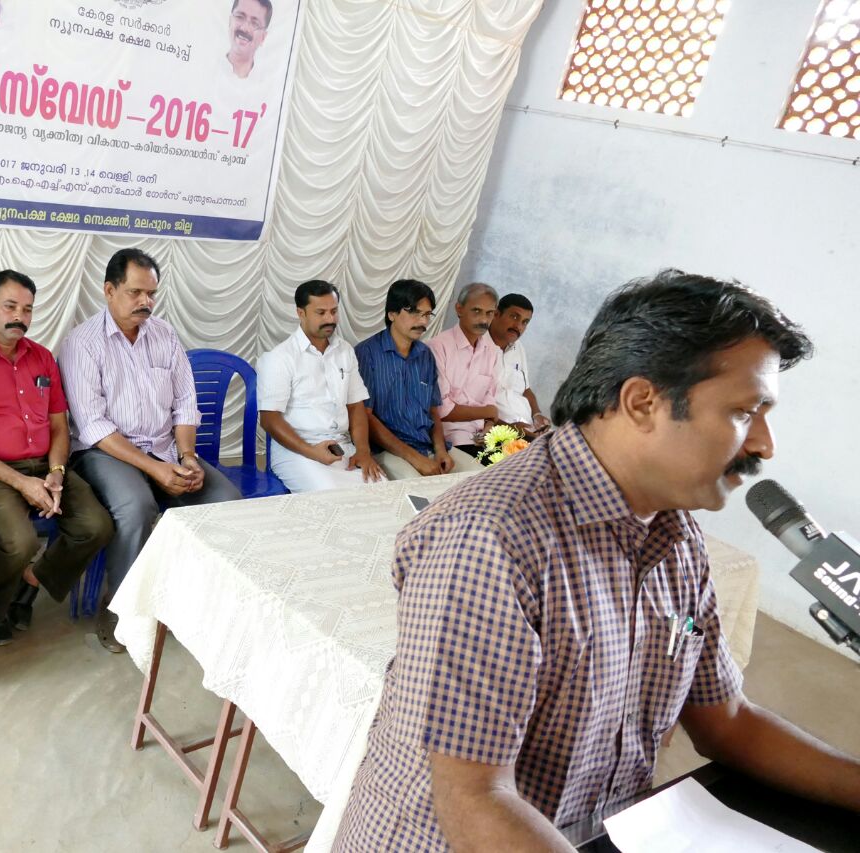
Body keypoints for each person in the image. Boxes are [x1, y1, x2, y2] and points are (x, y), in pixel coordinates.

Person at [335, 270, 860, 851]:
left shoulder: (674, 532)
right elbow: (475, 801)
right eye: (744, 412)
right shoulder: (492, 540)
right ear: (642, 403)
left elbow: (726, 720)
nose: (765, 444)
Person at [57, 248, 241, 653]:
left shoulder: (164, 335)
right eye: (135, 292)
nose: (145, 302)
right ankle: (121, 610)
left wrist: (187, 458)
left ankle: (186, 598)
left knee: (225, 501)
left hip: (164, 449)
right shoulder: (82, 343)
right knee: (137, 506)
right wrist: (155, 470)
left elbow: (185, 404)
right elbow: (93, 426)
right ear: (109, 290)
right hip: (104, 453)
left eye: (151, 294)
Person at [0, 270, 113, 646]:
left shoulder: (42, 358)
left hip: (44, 464)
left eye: (28, 309)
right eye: (10, 306)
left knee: (97, 525)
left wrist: (56, 472)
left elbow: (59, 427)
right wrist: (22, 483)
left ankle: (30, 583)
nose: (20, 316)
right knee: (19, 541)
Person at [257, 280, 384, 492]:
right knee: (331, 497)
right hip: (297, 450)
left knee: (382, 490)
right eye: (321, 312)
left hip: (342, 446)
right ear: (301, 313)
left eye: (334, 311)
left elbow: (356, 406)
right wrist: (312, 452)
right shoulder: (280, 358)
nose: (330, 319)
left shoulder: (345, 351)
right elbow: (270, 420)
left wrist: (363, 451)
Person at [355, 279, 478, 480]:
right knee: (418, 488)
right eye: (414, 312)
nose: (423, 322)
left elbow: (432, 411)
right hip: (387, 451)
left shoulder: (425, 354)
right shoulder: (367, 353)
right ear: (392, 314)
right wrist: (414, 458)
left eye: (427, 314)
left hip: (426, 445)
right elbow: (365, 416)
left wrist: (440, 450)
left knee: (481, 477)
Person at [428, 282, 501, 461]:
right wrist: (488, 412)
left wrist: (488, 428)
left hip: (482, 437)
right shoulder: (437, 347)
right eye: (476, 311)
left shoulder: (492, 351)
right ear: (459, 309)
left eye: (489, 313)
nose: (483, 320)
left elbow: (490, 401)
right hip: (449, 437)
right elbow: (442, 410)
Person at [490, 292, 550, 433]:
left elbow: (526, 389)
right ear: (496, 314)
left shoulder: (518, 348)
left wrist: (537, 415)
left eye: (525, 322)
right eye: (514, 317)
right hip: (494, 431)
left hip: (526, 428)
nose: (518, 326)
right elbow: (469, 404)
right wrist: (511, 429)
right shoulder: (476, 346)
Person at [223, 0, 272, 79]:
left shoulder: (267, 82)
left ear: (263, 37)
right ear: (230, 21)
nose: (244, 28)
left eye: (254, 23)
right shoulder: (206, 67)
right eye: (240, 17)